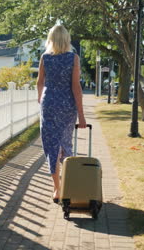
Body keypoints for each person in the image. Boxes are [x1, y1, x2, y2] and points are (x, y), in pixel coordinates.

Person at [36, 25, 87, 203]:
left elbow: (39, 83)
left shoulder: (45, 58)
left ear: (50, 39)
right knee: (65, 144)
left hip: (49, 104)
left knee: (52, 147)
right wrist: (81, 115)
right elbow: (76, 87)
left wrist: (40, 99)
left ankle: (57, 189)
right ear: (67, 39)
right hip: (67, 106)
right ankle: (68, 185)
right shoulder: (73, 58)